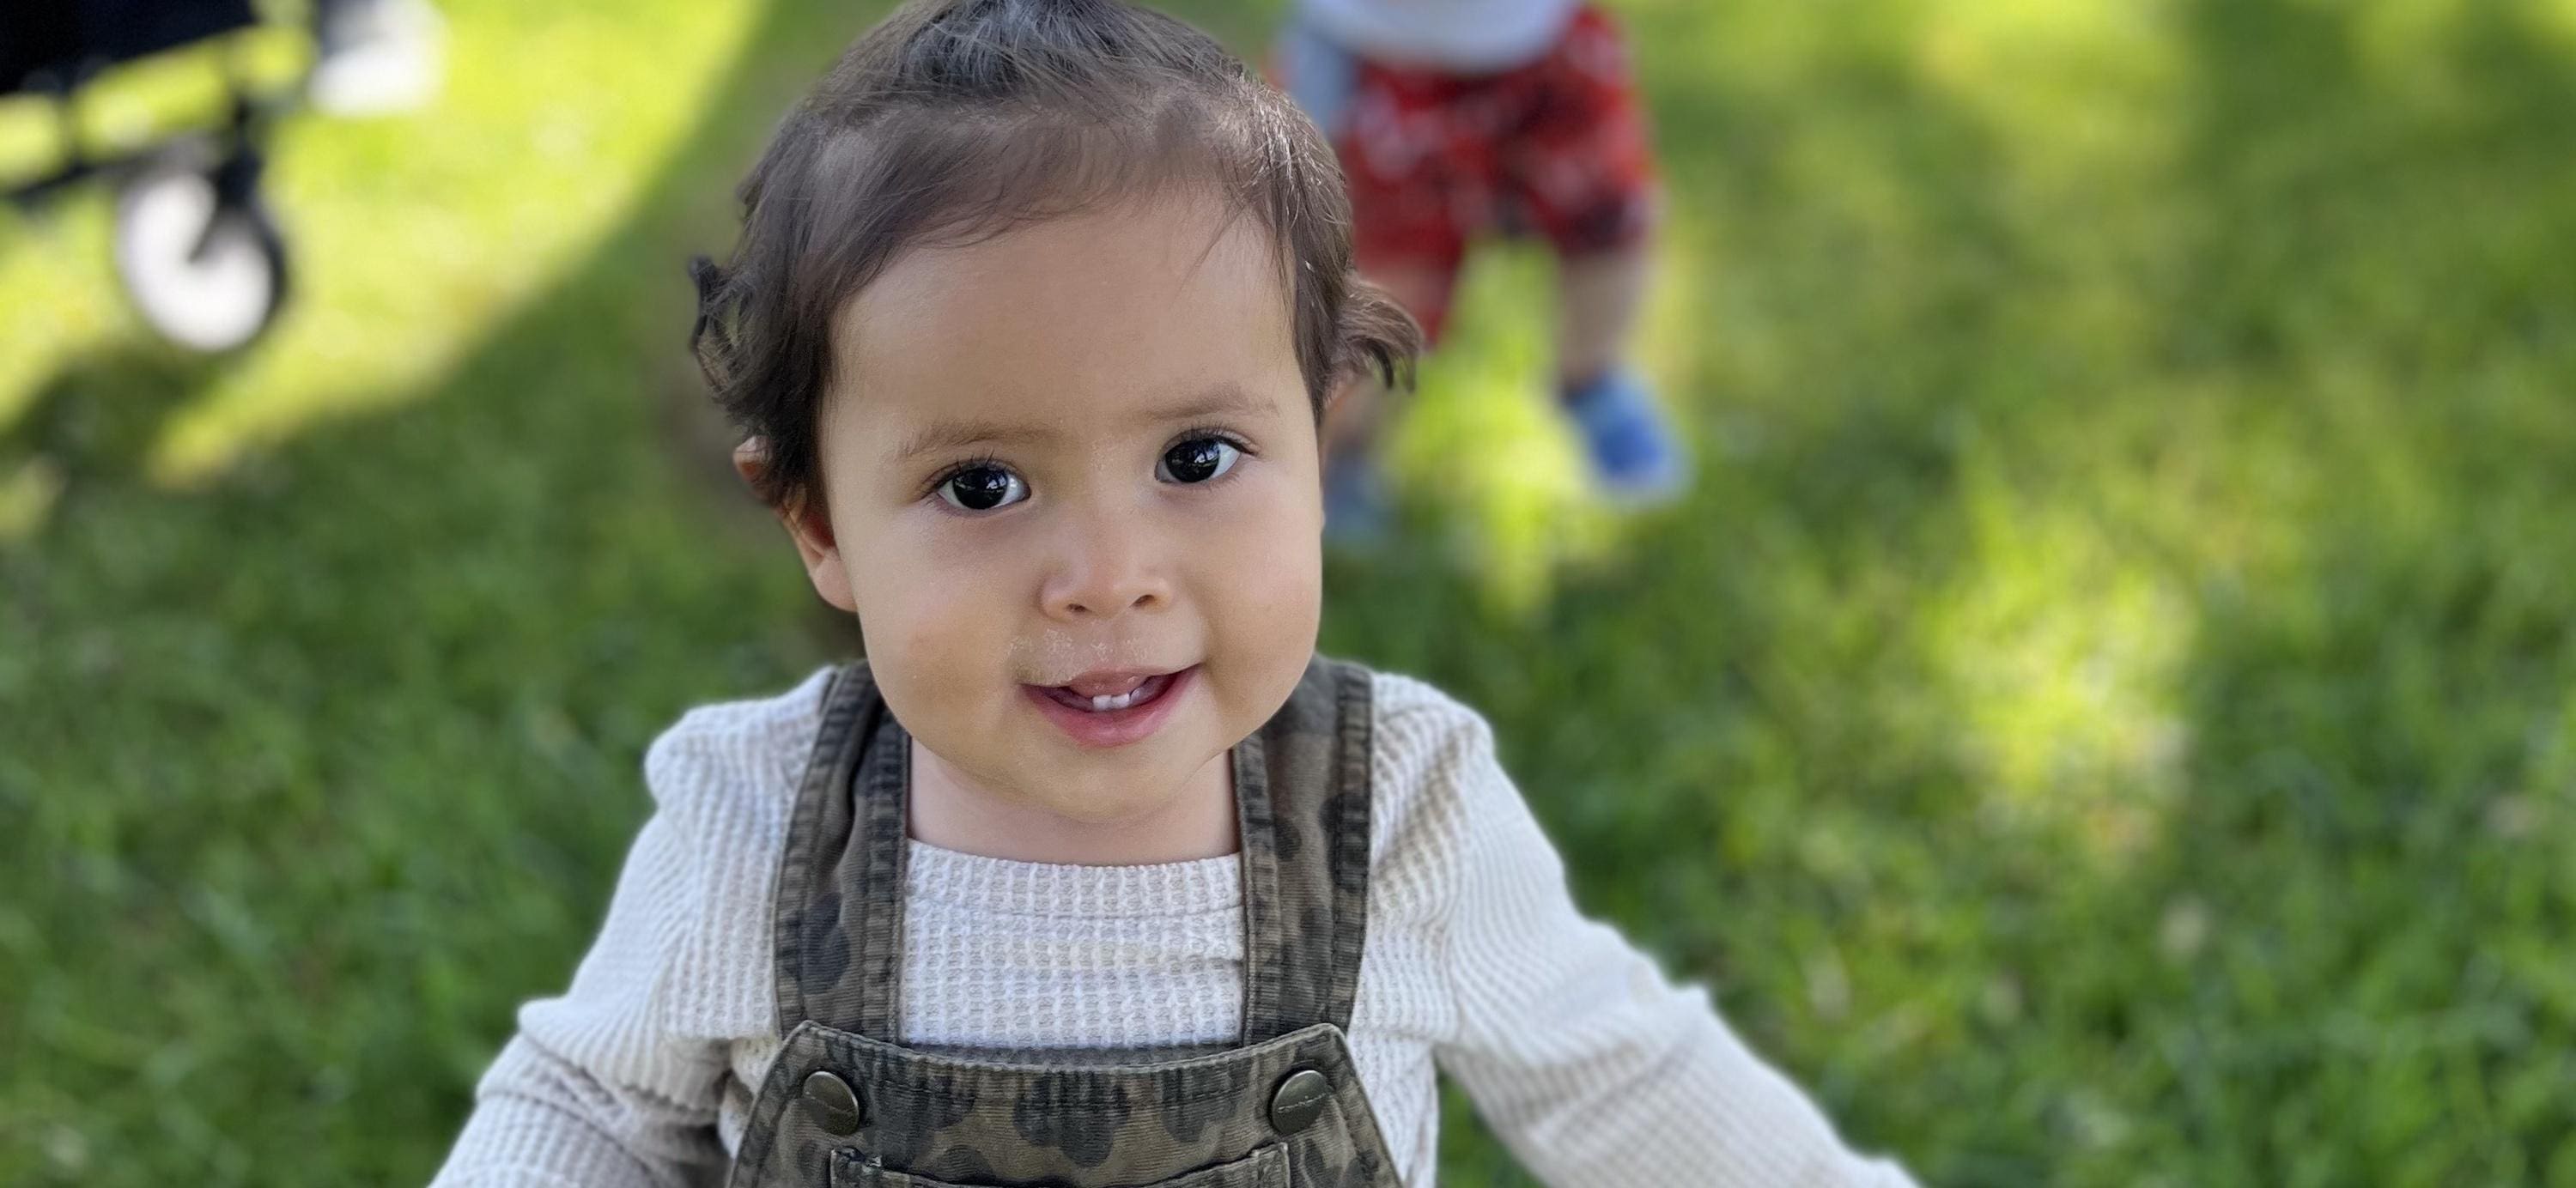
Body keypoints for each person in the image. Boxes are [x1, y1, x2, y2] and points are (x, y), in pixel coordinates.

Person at [429, 2, 1911, 1185]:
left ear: (1321, 433)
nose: (1109, 577)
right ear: (817, 520)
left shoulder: (1394, 808)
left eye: (1197, 454)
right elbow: (592, 1106)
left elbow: (1628, 1077)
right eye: (984, 486)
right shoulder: (754, 818)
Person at [1275, 0, 1687, 536]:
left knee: (1606, 222)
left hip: (1546, 35)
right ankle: (1342, 456)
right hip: (1380, 50)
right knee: (1388, 286)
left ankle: (1593, 380)